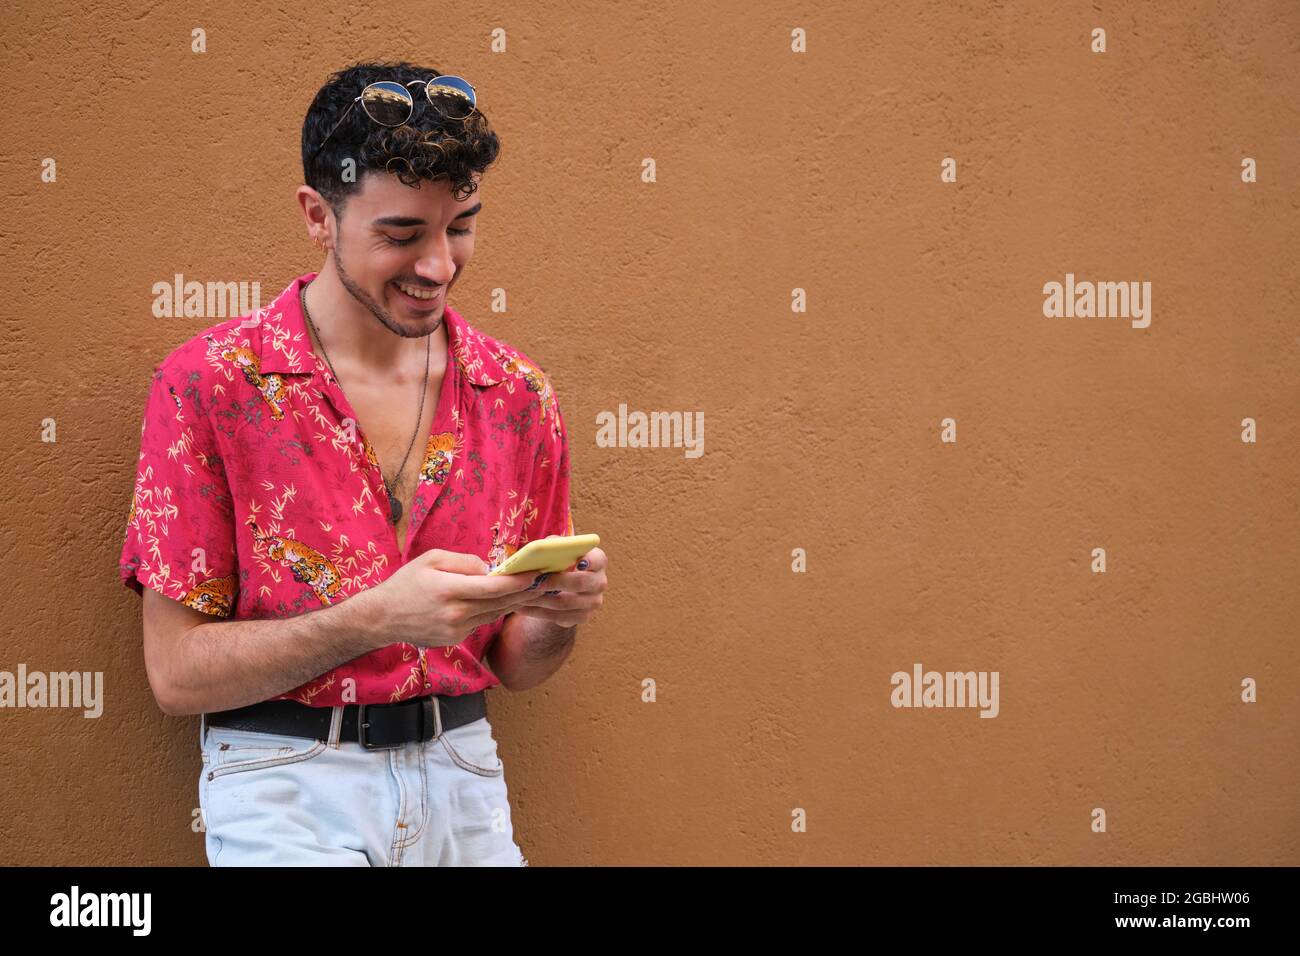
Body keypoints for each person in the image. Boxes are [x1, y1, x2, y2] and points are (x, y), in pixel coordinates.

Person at [118, 60, 608, 866]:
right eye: (401, 234)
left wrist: (558, 617)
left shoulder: (518, 393)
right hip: (285, 780)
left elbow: (516, 668)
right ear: (318, 214)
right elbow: (175, 676)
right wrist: (375, 618)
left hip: (465, 775)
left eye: (460, 226)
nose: (440, 266)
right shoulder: (211, 384)